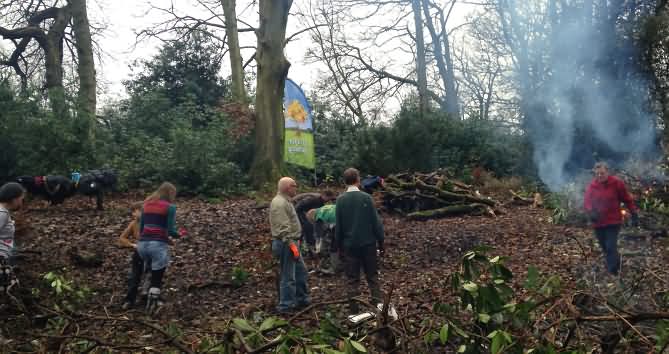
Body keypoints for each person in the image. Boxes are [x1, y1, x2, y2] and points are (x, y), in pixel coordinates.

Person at [336, 168, 385, 313]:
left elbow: (339, 227)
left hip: (350, 246)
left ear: (345, 182)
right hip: (368, 244)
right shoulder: (366, 198)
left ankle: (354, 311)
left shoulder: (340, 200)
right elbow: (376, 223)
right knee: (372, 277)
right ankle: (379, 309)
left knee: (352, 279)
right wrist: (381, 241)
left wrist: (339, 247)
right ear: (358, 180)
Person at [136, 182, 184, 313]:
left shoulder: (146, 204)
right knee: (157, 276)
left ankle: (144, 293)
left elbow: (142, 228)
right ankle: (152, 305)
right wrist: (178, 235)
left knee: (148, 269)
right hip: (157, 246)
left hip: (142, 245)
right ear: (170, 193)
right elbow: (170, 229)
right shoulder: (170, 207)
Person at [584, 162, 638, 276]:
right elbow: (587, 202)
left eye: (602, 173)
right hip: (598, 223)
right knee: (604, 246)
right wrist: (591, 212)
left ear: (607, 172)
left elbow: (627, 199)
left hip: (613, 221)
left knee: (610, 245)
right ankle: (616, 263)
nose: (600, 176)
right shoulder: (592, 186)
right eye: (597, 174)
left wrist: (633, 213)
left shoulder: (617, 183)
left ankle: (613, 272)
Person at [270, 177, 310, 313]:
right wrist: (292, 245)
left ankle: (302, 299)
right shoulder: (279, 203)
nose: (296, 188)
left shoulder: (285, 201)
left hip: (292, 242)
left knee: (301, 272)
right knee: (288, 276)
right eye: (294, 186)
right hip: (286, 243)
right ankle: (286, 306)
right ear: (288, 187)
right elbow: (283, 228)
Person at [121, 202, 151, 309]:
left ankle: (148, 298)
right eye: (132, 212)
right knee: (135, 277)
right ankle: (129, 300)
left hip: (151, 252)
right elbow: (122, 238)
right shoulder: (133, 224)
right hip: (139, 252)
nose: (133, 214)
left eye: (135, 211)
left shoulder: (151, 222)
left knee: (151, 275)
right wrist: (132, 245)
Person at [293, 190, 336, 255]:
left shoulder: (321, 201)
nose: (329, 201)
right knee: (307, 227)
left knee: (314, 225)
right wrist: (301, 218)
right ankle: (306, 247)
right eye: (329, 199)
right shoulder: (313, 199)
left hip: (305, 210)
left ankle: (313, 245)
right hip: (297, 208)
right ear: (324, 196)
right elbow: (299, 206)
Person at [306, 204, 341, 275]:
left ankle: (334, 268)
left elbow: (319, 237)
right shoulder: (324, 208)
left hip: (338, 223)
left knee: (333, 247)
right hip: (346, 217)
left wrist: (318, 250)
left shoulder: (318, 217)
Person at [0, 183, 25, 264]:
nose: (21, 203)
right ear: (14, 199)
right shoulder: (2, 214)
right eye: (21, 199)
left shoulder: (4, 211)